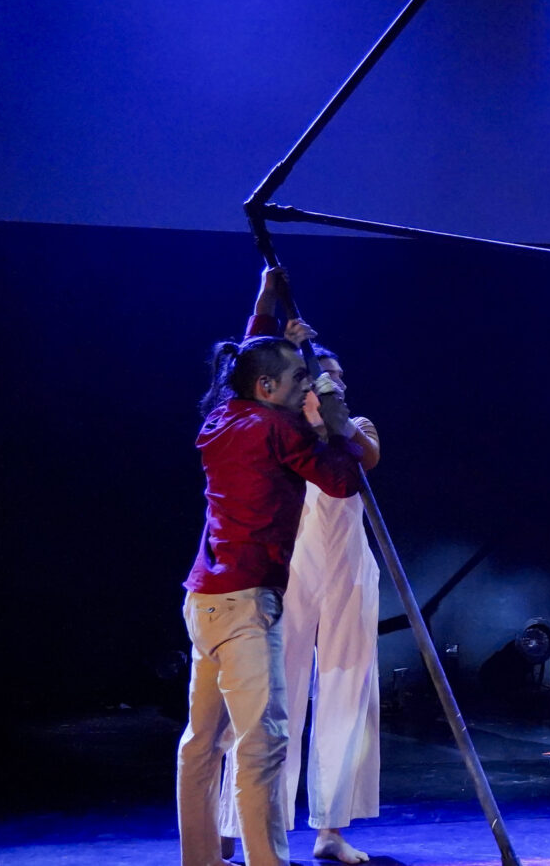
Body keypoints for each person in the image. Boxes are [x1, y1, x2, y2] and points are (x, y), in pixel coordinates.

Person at [177, 267, 365, 866]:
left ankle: (200, 859)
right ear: (267, 388)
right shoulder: (275, 430)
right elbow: (342, 479)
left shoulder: (223, 416)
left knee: (202, 743)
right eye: (298, 379)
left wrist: (264, 304)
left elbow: (249, 362)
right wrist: (336, 417)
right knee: (263, 744)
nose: (307, 383)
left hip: (204, 600)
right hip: (245, 606)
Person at [218, 332, 384, 866]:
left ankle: (331, 828)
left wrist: (333, 418)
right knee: (271, 696)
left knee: (346, 693)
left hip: (349, 571)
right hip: (291, 567)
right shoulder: (278, 432)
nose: (333, 384)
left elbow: (365, 460)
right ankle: (241, 825)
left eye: (337, 378)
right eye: (320, 377)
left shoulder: (355, 429)